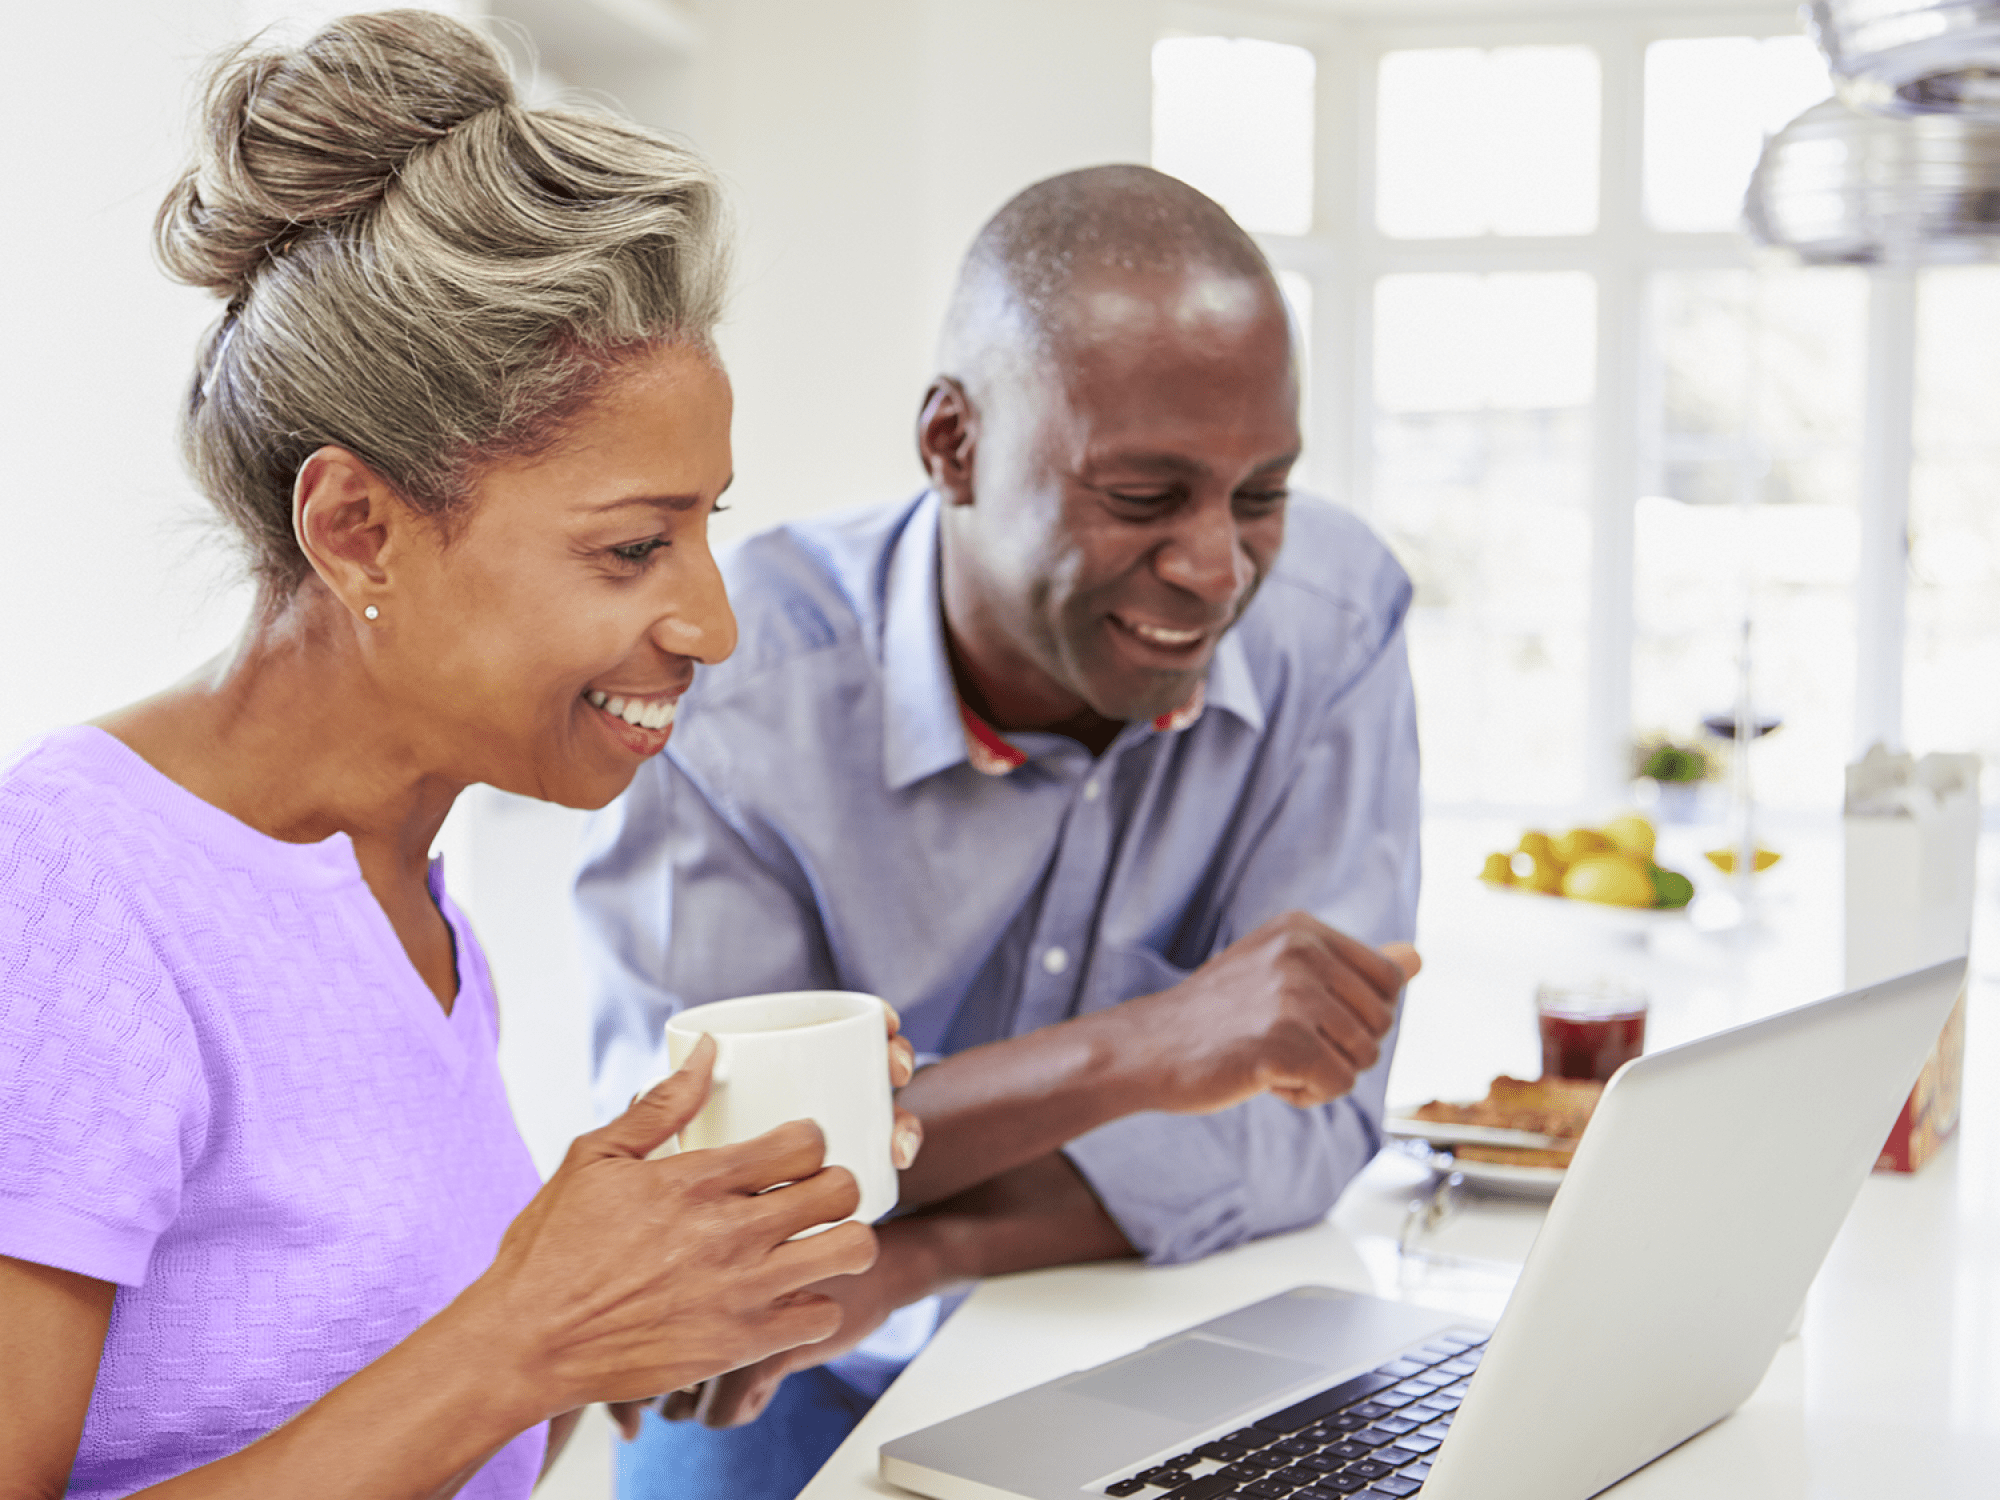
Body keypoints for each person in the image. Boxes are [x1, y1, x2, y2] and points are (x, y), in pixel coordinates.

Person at [0, 12, 919, 1498]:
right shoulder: (66, 895)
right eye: (632, 546)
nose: (713, 622)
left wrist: (642, 1316)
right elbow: (474, 1368)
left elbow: (407, 1433)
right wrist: (523, 1336)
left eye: (705, 529)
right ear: (358, 527)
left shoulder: (406, 903)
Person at [577, 164, 1424, 1500]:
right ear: (953, 445)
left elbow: (1303, 1128)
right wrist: (1149, 1051)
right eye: (1144, 496)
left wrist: (917, 1250)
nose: (1217, 567)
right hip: (791, 1367)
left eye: (1261, 494)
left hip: (1152, 1354)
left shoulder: (1337, 619)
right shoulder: (734, 688)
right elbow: (718, 1201)